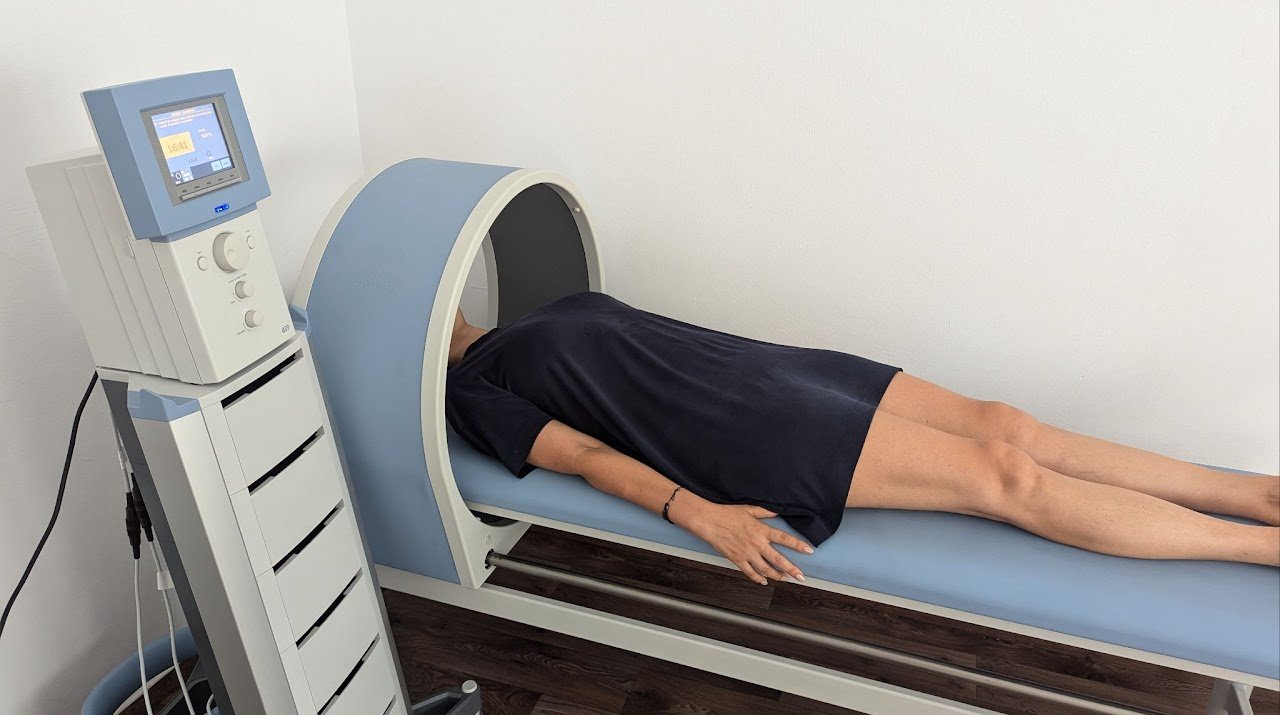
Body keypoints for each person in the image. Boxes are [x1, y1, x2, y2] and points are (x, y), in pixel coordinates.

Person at [445, 291, 1280, 585]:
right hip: (749, 431)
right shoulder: (470, 392)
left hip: (770, 370)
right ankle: (1257, 547)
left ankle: (1255, 493)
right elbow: (583, 455)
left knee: (1008, 424)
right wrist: (699, 514)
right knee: (1002, 473)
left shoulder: (532, 313)